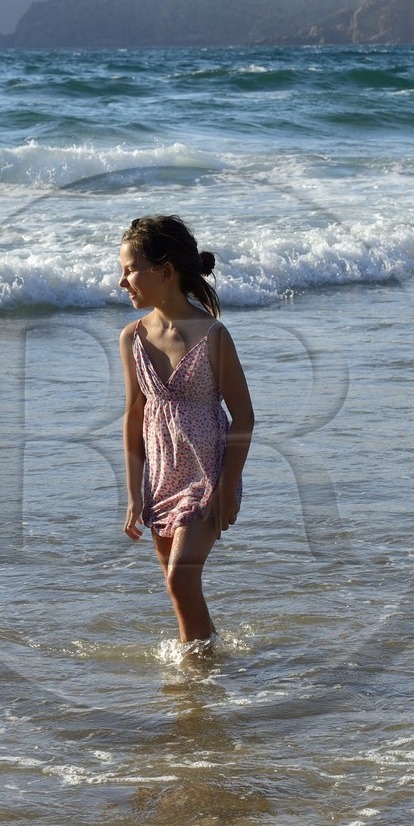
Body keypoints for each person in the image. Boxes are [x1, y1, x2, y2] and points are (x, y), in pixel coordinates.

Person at [118, 215, 253, 650]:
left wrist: (226, 488)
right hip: (160, 481)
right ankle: (206, 665)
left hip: (206, 479)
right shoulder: (132, 337)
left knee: (180, 578)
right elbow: (134, 415)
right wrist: (134, 493)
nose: (122, 281)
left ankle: (198, 676)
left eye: (129, 269)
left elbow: (245, 416)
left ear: (165, 271)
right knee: (177, 591)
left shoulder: (213, 335)